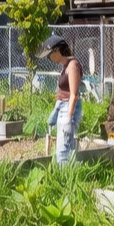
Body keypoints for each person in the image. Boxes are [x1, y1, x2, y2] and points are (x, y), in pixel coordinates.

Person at [40, 35, 83, 165]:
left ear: (57, 50)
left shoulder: (73, 66)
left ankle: (65, 180)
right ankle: (68, 175)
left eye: (49, 55)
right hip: (62, 106)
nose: (49, 58)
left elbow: (74, 95)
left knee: (63, 151)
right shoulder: (65, 66)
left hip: (68, 108)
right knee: (64, 146)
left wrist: (68, 118)